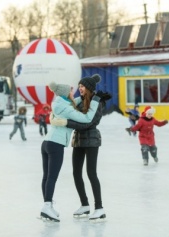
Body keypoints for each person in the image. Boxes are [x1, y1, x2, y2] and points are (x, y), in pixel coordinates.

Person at [51, 74, 111, 222]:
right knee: (76, 173)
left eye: (82, 86)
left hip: (91, 140)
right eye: (79, 87)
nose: (80, 89)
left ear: (89, 88)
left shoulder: (97, 103)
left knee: (91, 173)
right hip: (78, 139)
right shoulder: (80, 101)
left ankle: (99, 208)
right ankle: (84, 204)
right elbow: (68, 109)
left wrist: (66, 123)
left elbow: (88, 123)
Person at [40, 81, 102, 223]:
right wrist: (95, 101)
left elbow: (75, 102)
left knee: (46, 177)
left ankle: (47, 205)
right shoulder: (66, 108)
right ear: (65, 93)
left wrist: (93, 96)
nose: (74, 91)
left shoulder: (59, 103)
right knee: (52, 177)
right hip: (56, 144)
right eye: (70, 90)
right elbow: (86, 118)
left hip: (46, 142)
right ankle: (47, 206)